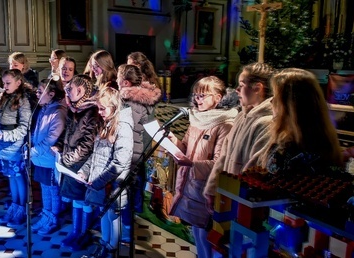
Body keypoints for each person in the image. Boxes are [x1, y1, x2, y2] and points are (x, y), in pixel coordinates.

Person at [167, 76, 238, 258]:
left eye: (203, 96)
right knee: (197, 230)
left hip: (207, 187)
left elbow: (218, 162)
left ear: (219, 97)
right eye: (196, 95)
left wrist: (191, 164)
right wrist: (173, 141)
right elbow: (185, 148)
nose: (198, 100)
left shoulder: (226, 124)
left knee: (207, 232)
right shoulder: (196, 119)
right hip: (189, 183)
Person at [204, 62, 275, 211]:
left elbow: (254, 169)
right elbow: (223, 156)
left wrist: (232, 200)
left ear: (258, 88)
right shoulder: (241, 117)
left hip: (241, 201)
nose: (236, 90)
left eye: (241, 85)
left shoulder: (267, 123)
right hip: (227, 196)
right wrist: (212, 188)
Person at [79, 86, 134, 258]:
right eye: (98, 108)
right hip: (103, 183)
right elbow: (96, 155)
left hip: (114, 184)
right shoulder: (106, 123)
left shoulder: (123, 127)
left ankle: (112, 249)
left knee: (113, 216)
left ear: (115, 106)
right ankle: (105, 244)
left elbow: (119, 163)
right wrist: (84, 171)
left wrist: (98, 181)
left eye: (103, 108)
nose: (100, 112)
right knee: (104, 214)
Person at [258, 68, 343, 175]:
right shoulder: (324, 141)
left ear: (290, 107)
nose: (271, 101)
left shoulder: (286, 152)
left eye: (276, 96)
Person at [116, 64, 161, 243]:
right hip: (139, 152)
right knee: (131, 190)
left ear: (125, 82)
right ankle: (128, 223)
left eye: (119, 79)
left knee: (125, 191)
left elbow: (125, 129)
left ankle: (126, 228)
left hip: (129, 152)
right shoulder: (145, 98)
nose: (117, 82)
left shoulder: (129, 101)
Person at [57, 74, 100, 250]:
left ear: (81, 90)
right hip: (70, 161)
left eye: (70, 89)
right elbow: (67, 132)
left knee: (84, 200)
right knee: (76, 200)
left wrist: (67, 159)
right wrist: (59, 145)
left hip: (82, 164)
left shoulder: (92, 112)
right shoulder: (74, 108)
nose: (66, 91)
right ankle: (75, 231)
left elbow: (87, 144)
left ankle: (84, 233)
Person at [0, 69, 32, 227]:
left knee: (18, 177)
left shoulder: (23, 100)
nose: (5, 85)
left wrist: (6, 136)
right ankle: (14, 206)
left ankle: (22, 210)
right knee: (11, 177)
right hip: (3, 144)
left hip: (15, 146)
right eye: (3, 83)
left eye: (8, 83)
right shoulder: (5, 97)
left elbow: (24, 127)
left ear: (18, 82)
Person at [30, 78, 67, 235]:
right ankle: (46, 215)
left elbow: (52, 137)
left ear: (51, 94)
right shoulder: (43, 108)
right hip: (40, 158)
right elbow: (37, 131)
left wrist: (34, 151)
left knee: (53, 190)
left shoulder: (58, 111)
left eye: (40, 91)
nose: (37, 93)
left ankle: (53, 219)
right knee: (44, 189)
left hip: (49, 159)